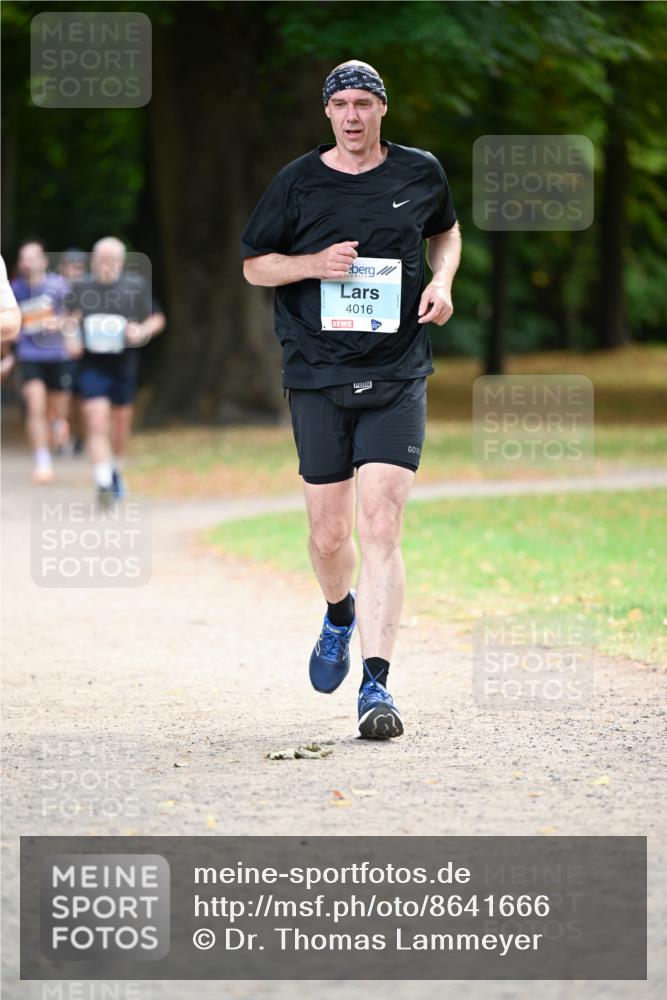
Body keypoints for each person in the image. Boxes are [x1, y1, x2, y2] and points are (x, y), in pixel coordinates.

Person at [241, 60, 462, 739]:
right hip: (315, 374)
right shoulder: (297, 181)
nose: (354, 115)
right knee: (329, 535)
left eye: (365, 103)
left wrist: (443, 282)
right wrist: (313, 265)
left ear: (381, 110)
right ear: (328, 113)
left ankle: (376, 686)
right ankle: (339, 613)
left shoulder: (420, 171)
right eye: (342, 104)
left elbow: (445, 233)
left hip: (397, 372)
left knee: (381, 527)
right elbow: (254, 264)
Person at [65, 237, 165, 506]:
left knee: (120, 428)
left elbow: (156, 318)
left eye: (112, 260)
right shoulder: (81, 286)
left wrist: (141, 330)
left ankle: (114, 469)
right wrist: (71, 336)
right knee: (96, 421)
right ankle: (104, 481)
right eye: (101, 260)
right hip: (92, 364)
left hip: (124, 363)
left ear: (121, 262)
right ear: (93, 261)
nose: (106, 265)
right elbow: (67, 319)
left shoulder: (135, 286)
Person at [10, 241, 75, 483]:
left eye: (31, 258)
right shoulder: (14, 289)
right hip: (30, 355)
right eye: (23, 258)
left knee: (57, 409)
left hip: (57, 355)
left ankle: (59, 422)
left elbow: (74, 315)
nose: (26, 263)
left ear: (44, 261)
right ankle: (42, 461)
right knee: (35, 404)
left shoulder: (59, 286)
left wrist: (58, 324)